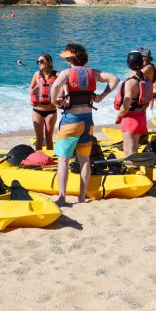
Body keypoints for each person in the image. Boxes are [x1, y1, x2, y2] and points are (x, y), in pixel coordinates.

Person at [49, 43, 119, 204]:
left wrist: (55, 103)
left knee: (63, 160)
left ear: (73, 58)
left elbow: (54, 89)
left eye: (68, 58)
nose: (66, 61)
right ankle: (81, 197)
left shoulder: (66, 73)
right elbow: (115, 79)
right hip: (87, 121)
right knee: (85, 160)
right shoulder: (93, 73)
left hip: (70, 122)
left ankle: (62, 197)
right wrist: (101, 96)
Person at [114, 50, 154, 156]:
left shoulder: (130, 82)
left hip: (130, 119)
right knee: (135, 150)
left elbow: (126, 105)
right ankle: (136, 168)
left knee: (128, 151)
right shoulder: (147, 80)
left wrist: (119, 116)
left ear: (128, 64)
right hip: (141, 118)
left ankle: (132, 168)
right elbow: (147, 101)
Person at [28, 54, 58, 150]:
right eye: (38, 62)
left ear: (49, 62)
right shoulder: (37, 74)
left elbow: (66, 82)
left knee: (49, 138)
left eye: (41, 61)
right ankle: (38, 159)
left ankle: (50, 159)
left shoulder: (57, 75)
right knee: (39, 139)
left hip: (51, 111)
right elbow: (31, 87)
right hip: (37, 111)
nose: (39, 63)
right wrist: (32, 96)